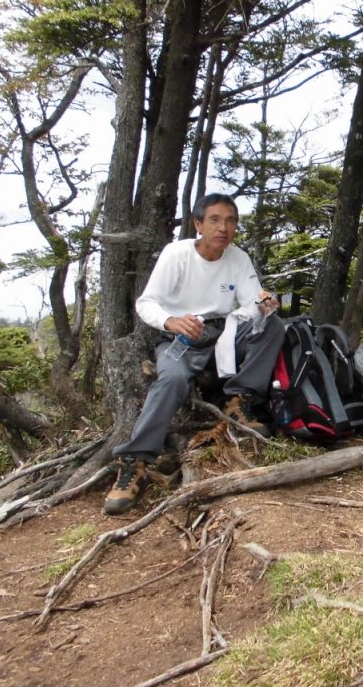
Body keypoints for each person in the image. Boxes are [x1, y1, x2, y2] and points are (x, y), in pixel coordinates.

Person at [103, 194, 286, 515]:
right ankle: (135, 462)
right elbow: (147, 303)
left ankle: (237, 403)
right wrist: (171, 320)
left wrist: (264, 303)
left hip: (223, 333)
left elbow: (250, 302)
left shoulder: (238, 258)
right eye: (214, 220)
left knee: (274, 326)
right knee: (171, 379)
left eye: (230, 220)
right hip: (181, 336)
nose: (223, 227)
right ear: (198, 224)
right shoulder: (177, 254)